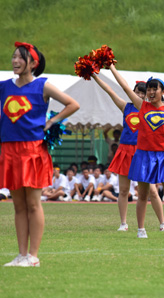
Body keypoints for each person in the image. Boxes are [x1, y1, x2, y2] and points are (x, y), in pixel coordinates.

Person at [1, 42, 79, 267]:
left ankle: (33, 256)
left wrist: (52, 121)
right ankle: (21, 254)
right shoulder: (4, 87)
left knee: (33, 204)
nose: (14, 61)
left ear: (33, 63)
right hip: (9, 150)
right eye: (13, 57)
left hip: (33, 150)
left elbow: (72, 104)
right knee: (18, 206)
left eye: (20, 57)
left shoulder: (43, 86)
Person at [107, 64, 164, 239]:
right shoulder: (142, 106)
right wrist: (111, 67)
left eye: (155, 89)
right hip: (144, 155)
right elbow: (124, 87)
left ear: (163, 92)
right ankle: (141, 230)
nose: (151, 92)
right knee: (143, 195)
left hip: (163, 157)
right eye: (149, 89)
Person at [92, 75, 164, 232]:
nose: (140, 95)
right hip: (125, 150)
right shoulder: (125, 107)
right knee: (123, 190)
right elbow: (109, 90)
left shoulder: (149, 108)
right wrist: (94, 75)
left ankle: (163, 223)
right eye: (137, 92)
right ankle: (123, 223)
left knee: (153, 191)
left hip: (143, 151)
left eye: (143, 93)